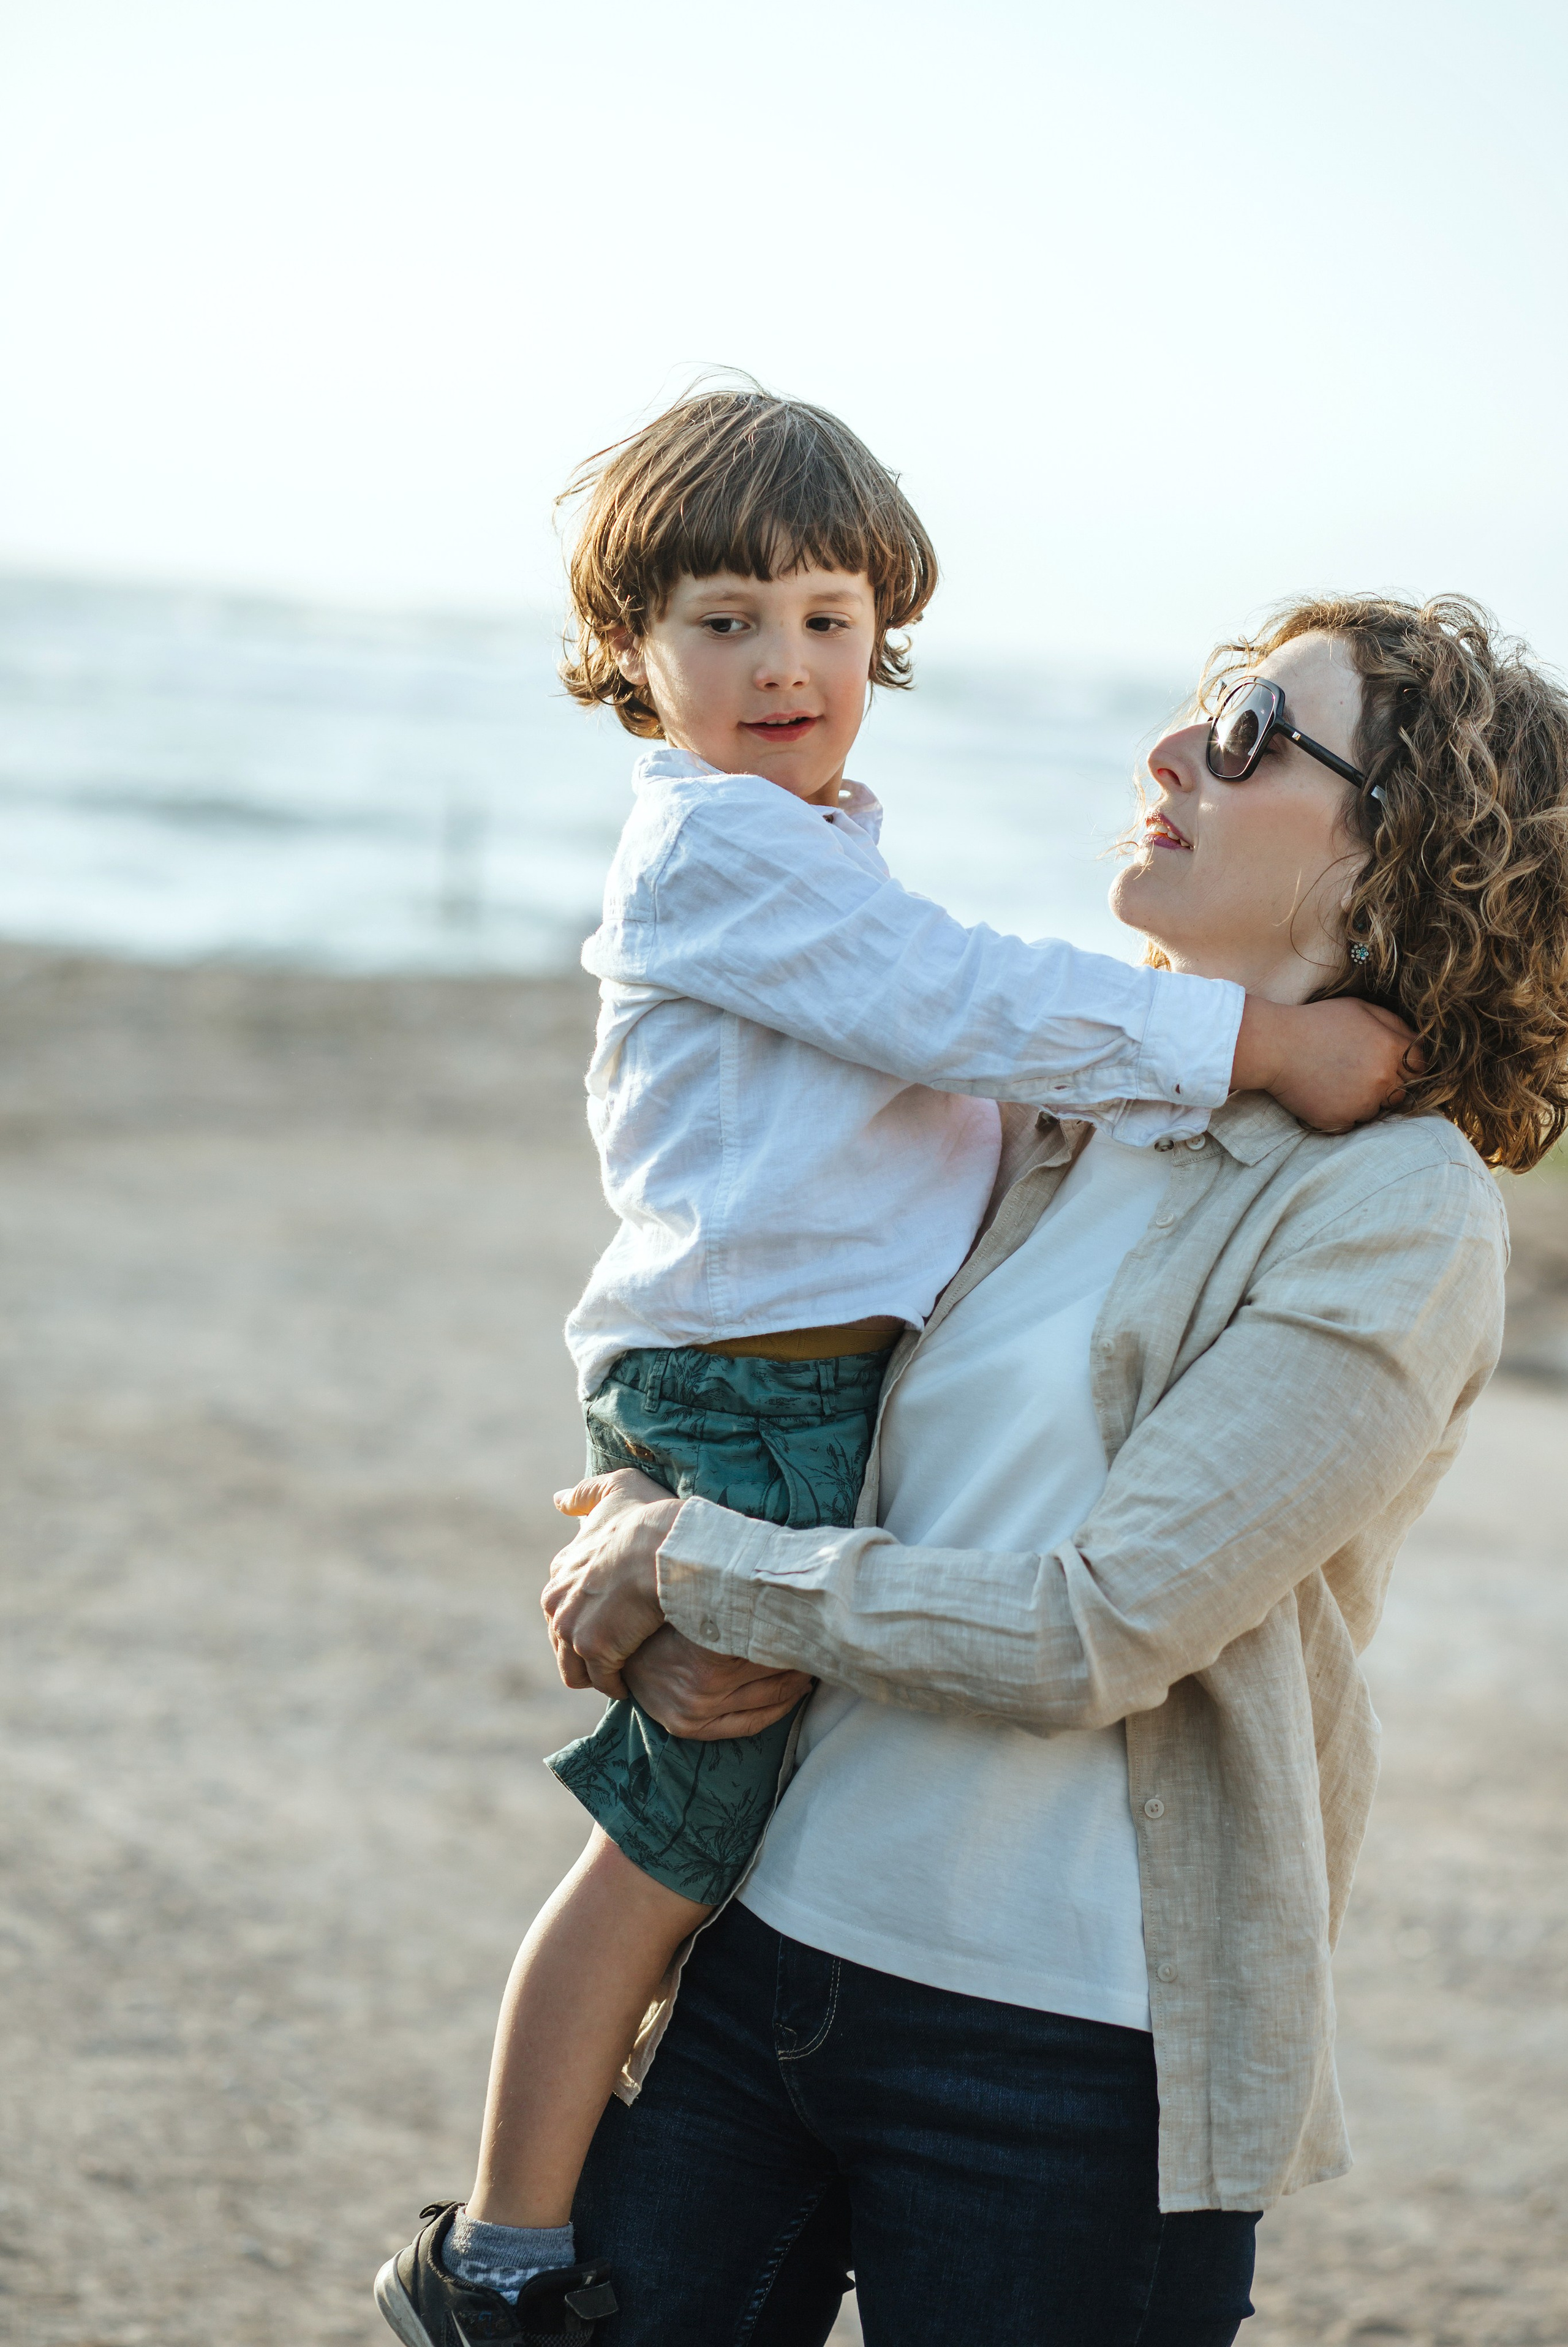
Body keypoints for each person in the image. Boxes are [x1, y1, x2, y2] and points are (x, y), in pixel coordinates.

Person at [374, 392, 1414, 2347]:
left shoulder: (825, 858)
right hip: (743, 1396)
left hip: (827, 1491)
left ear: (885, 637)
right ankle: (505, 2248)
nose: (782, 663)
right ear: (630, 653)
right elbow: (966, 1004)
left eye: (826, 618)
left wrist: (663, 1553)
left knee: (695, 1818)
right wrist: (1258, 1050)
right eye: (725, 620)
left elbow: (1091, 1598)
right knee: (669, 1846)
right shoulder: (716, 859)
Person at [538, 594, 1568, 2346]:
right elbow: (780, 1370)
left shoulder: (1400, 1210)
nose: (1170, 754)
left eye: (1250, 734)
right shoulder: (1058, 1107)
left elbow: (1100, 1625)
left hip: (1068, 2057)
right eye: (1200, 712)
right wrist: (634, 1528)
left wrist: (689, 1566)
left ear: (1397, 859)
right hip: (770, 1949)